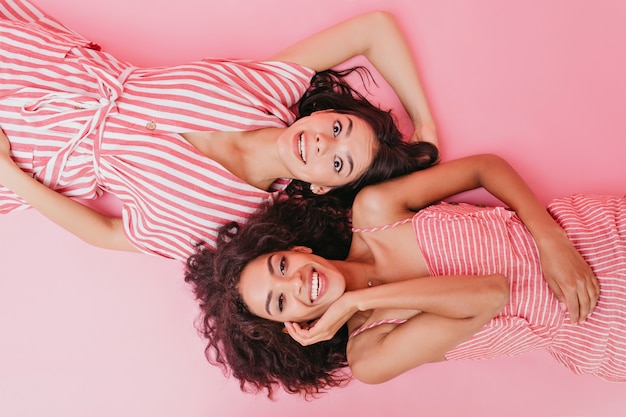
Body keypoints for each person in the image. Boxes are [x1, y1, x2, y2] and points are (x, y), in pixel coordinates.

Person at [0, 0, 438, 261]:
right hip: (42, 66)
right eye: (338, 127)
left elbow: (108, 235)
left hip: (29, 153)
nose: (324, 143)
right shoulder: (267, 89)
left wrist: (10, 175)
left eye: (338, 163)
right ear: (322, 115)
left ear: (322, 188)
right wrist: (424, 125)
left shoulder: (232, 220)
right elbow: (374, 28)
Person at [184, 153, 626, 398]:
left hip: (593, 232)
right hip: (598, 326)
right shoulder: (370, 353)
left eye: (281, 266)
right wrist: (358, 302)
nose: (295, 282)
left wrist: (550, 238)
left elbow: (483, 169)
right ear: (290, 327)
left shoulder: (375, 211)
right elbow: (489, 295)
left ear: (296, 249)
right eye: (279, 302)